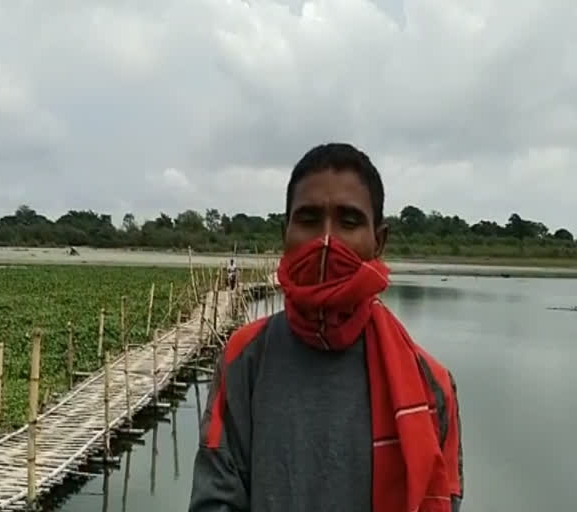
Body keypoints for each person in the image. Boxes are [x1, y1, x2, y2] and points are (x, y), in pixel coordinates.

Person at [189, 143, 463, 512]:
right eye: (308, 220)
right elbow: (215, 500)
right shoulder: (244, 359)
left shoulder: (431, 385)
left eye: (349, 222)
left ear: (378, 241)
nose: (326, 242)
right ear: (284, 232)